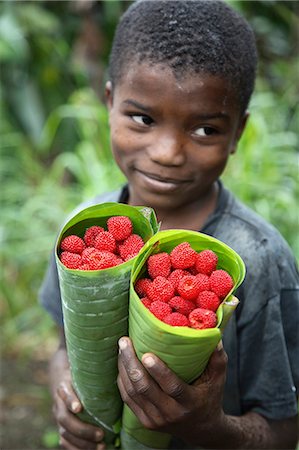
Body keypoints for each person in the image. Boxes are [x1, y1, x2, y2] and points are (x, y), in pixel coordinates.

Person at [40, 1, 299, 449]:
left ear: (238, 133)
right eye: (143, 118)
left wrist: (208, 427)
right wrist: (67, 394)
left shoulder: (260, 258)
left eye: (205, 130)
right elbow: (64, 344)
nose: (167, 152)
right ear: (109, 103)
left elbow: (285, 427)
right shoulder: (82, 232)